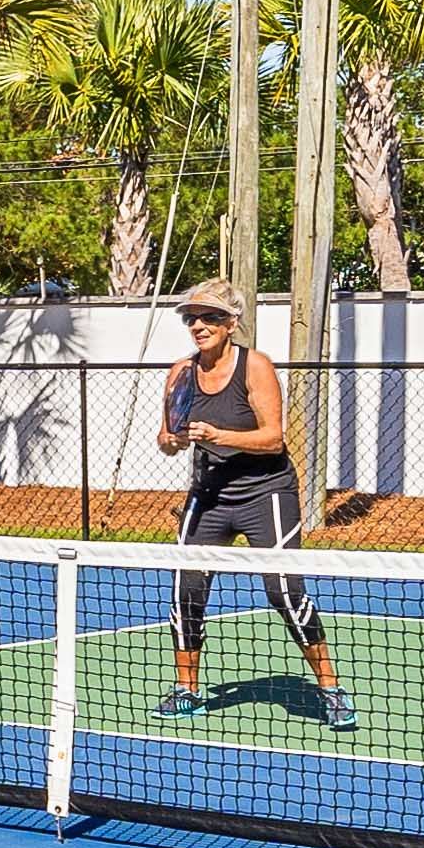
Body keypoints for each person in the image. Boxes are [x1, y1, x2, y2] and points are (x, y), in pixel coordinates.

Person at [150, 284, 347, 723]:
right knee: (187, 591)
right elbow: (166, 439)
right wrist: (174, 439)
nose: (198, 326)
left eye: (209, 318)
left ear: (231, 324)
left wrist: (219, 436)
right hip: (209, 494)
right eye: (191, 319)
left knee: (284, 592)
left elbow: (273, 438)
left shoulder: (254, 366)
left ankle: (331, 690)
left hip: (266, 491)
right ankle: (186, 689)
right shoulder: (180, 372)